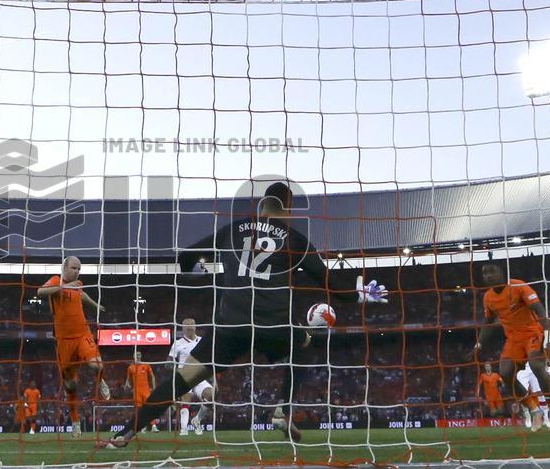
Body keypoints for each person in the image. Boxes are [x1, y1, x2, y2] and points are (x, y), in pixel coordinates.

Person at [108, 182, 389, 447]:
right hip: (274, 324)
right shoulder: (295, 239)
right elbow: (328, 283)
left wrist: (197, 268)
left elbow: (186, 256)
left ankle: (125, 433)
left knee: (181, 381)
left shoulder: (232, 230)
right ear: (287, 210)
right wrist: (360, 294)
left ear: (261, 208)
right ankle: (283, 409)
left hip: (231, 325)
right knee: (303, 343)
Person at [474, 263, 550, 432]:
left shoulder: (519, 286)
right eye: (485, 273)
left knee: (537, 366)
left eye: (492, 272)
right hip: (513, 339)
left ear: (503, 273)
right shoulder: (488, 298)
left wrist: (549, 336)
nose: (488, 276)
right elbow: (488, 322)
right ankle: (534, 410)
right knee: (505, 374)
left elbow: (540, 310)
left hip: (532, 333)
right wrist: (478, 345)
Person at [37, 256, 111, 438]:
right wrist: (65, 286)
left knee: (96, 365)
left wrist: (95, 304)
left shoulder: (78, 283)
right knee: (71, 385)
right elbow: (40, 292)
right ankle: (75, 422)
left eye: (79, 269)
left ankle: (100, 381)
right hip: (64, 341)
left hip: (83, 334)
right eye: (73, 268)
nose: (77, 271)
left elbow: (81, 294)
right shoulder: (56, 280)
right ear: (64, 267)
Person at [167, 318, 215, 435]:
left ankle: (197, 420)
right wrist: (178, 369)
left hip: (199, 376)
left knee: (211, 396)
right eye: (186, 326)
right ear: (182, 328)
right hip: (185, 377)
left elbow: (210, 359)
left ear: (195, 327)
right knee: (186, 399)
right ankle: (184, 429)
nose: (189, 328)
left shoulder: (202, 341)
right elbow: (168, 364)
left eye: (191, 325)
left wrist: (211, 376)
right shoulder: (177, 344)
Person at [516, 361, 550, 430]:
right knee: (521, 392)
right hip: (523, 368)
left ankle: (547, 418)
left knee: (540, 392)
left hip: (534, 366)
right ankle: (527, 414)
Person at [125, 351, 157, 432]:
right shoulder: (131, 367)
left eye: (139, 354)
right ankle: (142, 427)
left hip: (146, 391)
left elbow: (152, 376)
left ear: (141, 355)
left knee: (150, 408)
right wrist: (127, 385)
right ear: (133, 356)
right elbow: (128, 379)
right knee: (139, 410)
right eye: (136, 354)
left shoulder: (146, 365)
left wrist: (154, 387)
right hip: (136, 392)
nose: (138, 356)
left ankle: (153, 426)